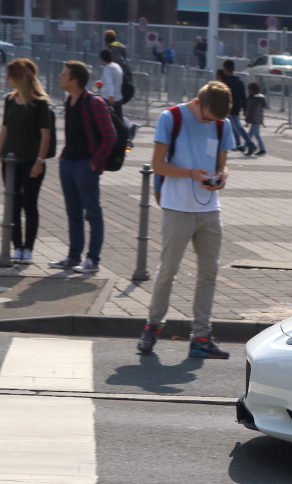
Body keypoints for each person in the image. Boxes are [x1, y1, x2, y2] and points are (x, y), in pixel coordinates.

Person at [136, 81, 235, 359]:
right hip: (177, 207)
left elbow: (221, 163)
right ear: (199, 103)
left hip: (209, 208)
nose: (211, 122)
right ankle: (152, 326)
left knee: (209, 272)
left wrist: (222, 175)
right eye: (208, 117)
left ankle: (201, 335)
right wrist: (191, 173)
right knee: (168, 269)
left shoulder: (221, 123)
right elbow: (157, 165)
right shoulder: (172, 117)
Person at [49, 61, 117, 274]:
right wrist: (62, 157)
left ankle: (92, 259)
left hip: (85, 166)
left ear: (74, 81)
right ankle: (73, 256)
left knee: (93, 213)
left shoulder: (94, 103)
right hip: (68, 164)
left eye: (64, 74)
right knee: (73, 213)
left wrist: (94, 162)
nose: (60, 76)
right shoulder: (69, 101)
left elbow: (110, 136)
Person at [0, 58, 54, 264]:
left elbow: (46, 135)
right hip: (10, 162)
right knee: (13, 205)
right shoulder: (9, 100)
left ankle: (28, 248)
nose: (6, 79)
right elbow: (4, 129)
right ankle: (17, 247)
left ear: (20, 77)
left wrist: (39, 160)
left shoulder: (40, 103)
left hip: (32, 161)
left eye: (10, 75)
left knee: (29, 205)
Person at [218, 60, 250, 152]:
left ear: (225, 69)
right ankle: (238, 143)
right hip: (237, 107)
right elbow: (243, 96)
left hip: (231, 107)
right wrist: (245, 108)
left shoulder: (226, 82)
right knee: (233, 126)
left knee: (237, 126)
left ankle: (250, 143)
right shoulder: (239, 80)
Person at [99, 49, 124, 121]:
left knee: (107, 119)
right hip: (118, 96)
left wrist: (111, 96)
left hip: (109, 98)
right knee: (119, 119)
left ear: (103, 59)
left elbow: (109, 82)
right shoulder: (116, 66)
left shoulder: (108, 68)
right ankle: (128, 127)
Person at [243, 81, 267, 156]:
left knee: (256, 135)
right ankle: (245, 146)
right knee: (250, 134)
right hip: (257, 119)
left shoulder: (253, 99)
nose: (249, 91)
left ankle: (262, 148)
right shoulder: (258, 98)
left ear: (254, 90)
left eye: (250, 90)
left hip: (254, 119)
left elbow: (251, 111)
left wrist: (248, 120)